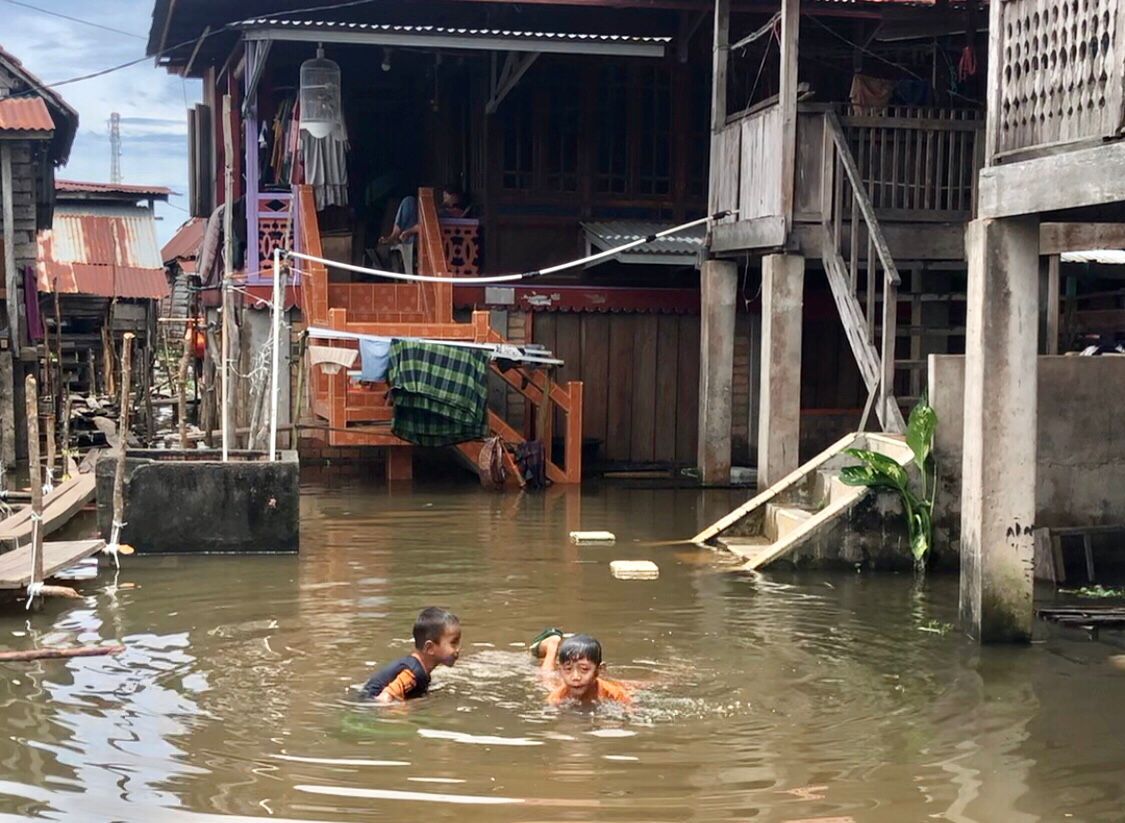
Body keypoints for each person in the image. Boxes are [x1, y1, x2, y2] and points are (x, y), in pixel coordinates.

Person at [361, 607, 462, 703]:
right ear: (429, 648)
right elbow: (383, 700)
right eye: (453, 643)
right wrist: (408, 709)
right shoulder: (413, 673)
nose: (458, 649)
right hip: (368, 706)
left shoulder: (420, 671)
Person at [531, 630, 632, 707]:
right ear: (560, 670)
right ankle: (552, 646)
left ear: (599, 670)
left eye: (584, 669)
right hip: (560, 685)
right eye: (568, 669)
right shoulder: (556, 697)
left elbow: (629, 712)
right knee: (547, 680)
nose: (575, 677)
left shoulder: (614, 693)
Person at [379, 186, 467, 245]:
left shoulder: (455, 212)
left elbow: (430, 224)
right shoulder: (444, 209)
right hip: (415, 233)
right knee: (409, 201)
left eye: (447, 197)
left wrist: (409, 231)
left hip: (424, 240)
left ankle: (395, 237)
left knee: (409, 201)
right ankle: (394, 236)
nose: (444, 200)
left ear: (455, 197)